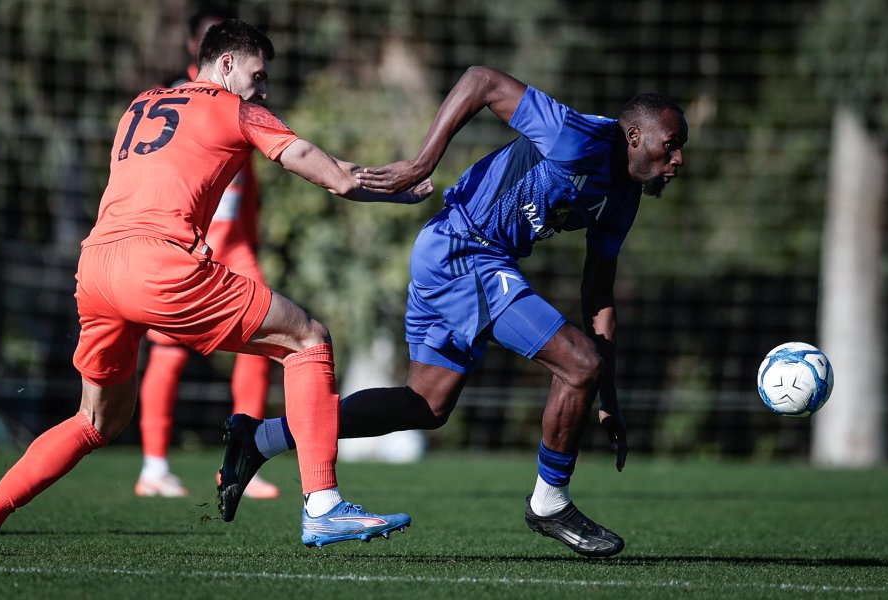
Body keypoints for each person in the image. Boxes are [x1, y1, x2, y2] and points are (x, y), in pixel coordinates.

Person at [0, 19, 432, 556]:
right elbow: (336, 177)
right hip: (159, 265)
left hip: (96, 267)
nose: (263, 89)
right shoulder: (237, 109)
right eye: (258, 75)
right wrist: (399, 187)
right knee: (308, 339)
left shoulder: (141, 102)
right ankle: (323, 507)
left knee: (96, 420)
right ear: (226, 64)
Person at [217, 66, 688, 558]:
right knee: (579, 362)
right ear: (634, 136)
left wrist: (607, 396)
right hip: (464, 248)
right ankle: (550, 502)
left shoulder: (623, 198)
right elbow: (482, 80)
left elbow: (599, 292)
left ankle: (261, 438)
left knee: (424, 406)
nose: (677, 159)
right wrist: (422, 163)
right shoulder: (579, 135)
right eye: (671, 145)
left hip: (459, 256)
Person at [134, 5, 278, 500]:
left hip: (234, 244)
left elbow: (247, 177)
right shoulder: (170, 98)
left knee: (265, 338)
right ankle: (154, 465)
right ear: (208, 51)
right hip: (181, 241)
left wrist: (251, 235)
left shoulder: (242, 104)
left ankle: (242, 463)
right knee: (167, 351)